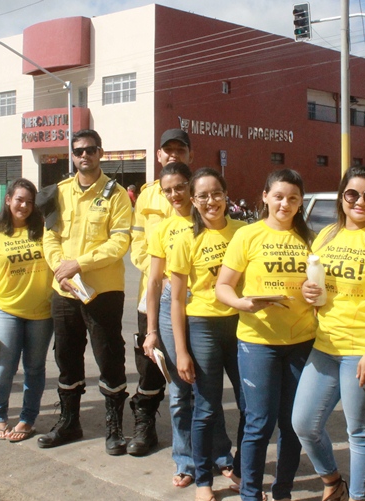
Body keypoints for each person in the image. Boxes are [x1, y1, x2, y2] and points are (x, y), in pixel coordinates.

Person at [292, 166, 365, 501]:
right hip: (325, 346)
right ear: (341, 197)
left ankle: (359, 498)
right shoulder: (327, 235)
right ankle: (334, 482)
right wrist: (308, 290)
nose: (360, 201)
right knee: (304, 423)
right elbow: (317, 284)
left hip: (362, 350)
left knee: (359, 434)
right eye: (352, 194)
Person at [216, 169, 317, 501]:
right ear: (264, 197)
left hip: (301, 342)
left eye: (293, 198)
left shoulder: (310, 240)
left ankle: (282, 491)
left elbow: (321, 291)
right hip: (257, 343)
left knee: (291, 425)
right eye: (278, 196)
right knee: (259, 423)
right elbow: (223, 287)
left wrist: (315, 293)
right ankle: (249, 493)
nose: (285, 204)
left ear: (301, 202)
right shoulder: (247, 236)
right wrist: (242, 304)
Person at [38, 129, 133, 453]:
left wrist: (79, 263)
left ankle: (115, 428)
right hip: (65, 290)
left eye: (91, 150)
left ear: (100, 153)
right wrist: (59, 268)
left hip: (102, 291)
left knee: (109, 358)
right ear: (72, 155)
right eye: (79, 150)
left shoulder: (116, 194)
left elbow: (121, 241)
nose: (85, 155)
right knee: (66, 356)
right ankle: (69, 422)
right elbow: (49, 237)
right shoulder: (58, 192)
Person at [166, 168, 247, 501]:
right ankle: (203, 481)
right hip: (203, 327)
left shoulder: (245, 232)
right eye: (203, 196)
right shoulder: (186, 239)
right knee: (207, 407)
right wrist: (181, 351)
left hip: (243, 328)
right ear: (194, 201)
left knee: (251, 406)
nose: (211, 201)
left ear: (227, 195)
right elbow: (175, 300)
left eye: (216, 193)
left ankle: (243, 472)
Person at [127, 129, 195, 457]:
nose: (173, 155)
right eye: (167, 150)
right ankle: (146, 427)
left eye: (179, 150)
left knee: (193, 364)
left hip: (197, 296)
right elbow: (138, 244)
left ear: (189, 155)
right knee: (151, 363)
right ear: (158, 155)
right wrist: (167, 277)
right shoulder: (146, 196)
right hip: (153, 293)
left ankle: (201, 437)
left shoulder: (202, 192)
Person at [0, 178, 53, 442]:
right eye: (19, 199)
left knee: (34, 369)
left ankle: (27, 419)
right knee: (2, 370)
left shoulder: (44, 231)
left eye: (30, 202)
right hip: (6, 311)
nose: (24, 206)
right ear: (8, 199)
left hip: (42, 313)